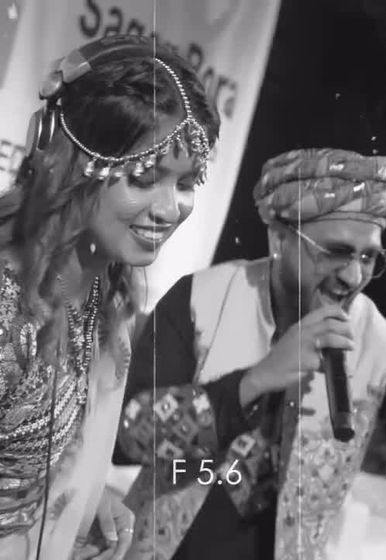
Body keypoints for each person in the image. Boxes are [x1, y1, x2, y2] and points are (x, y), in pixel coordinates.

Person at [116, 148, 386, 560]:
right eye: (336, 251)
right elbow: (129, 438)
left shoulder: (380, 344)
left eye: (368, 257)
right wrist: (252, 382)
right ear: (279, 239)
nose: (353, 277)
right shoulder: (200, 299)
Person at [0, 33, 219, 560]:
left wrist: (79, 495)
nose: (169, 209)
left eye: (186, 183)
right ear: (69, 162)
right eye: (143, 178)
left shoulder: (109, 289)